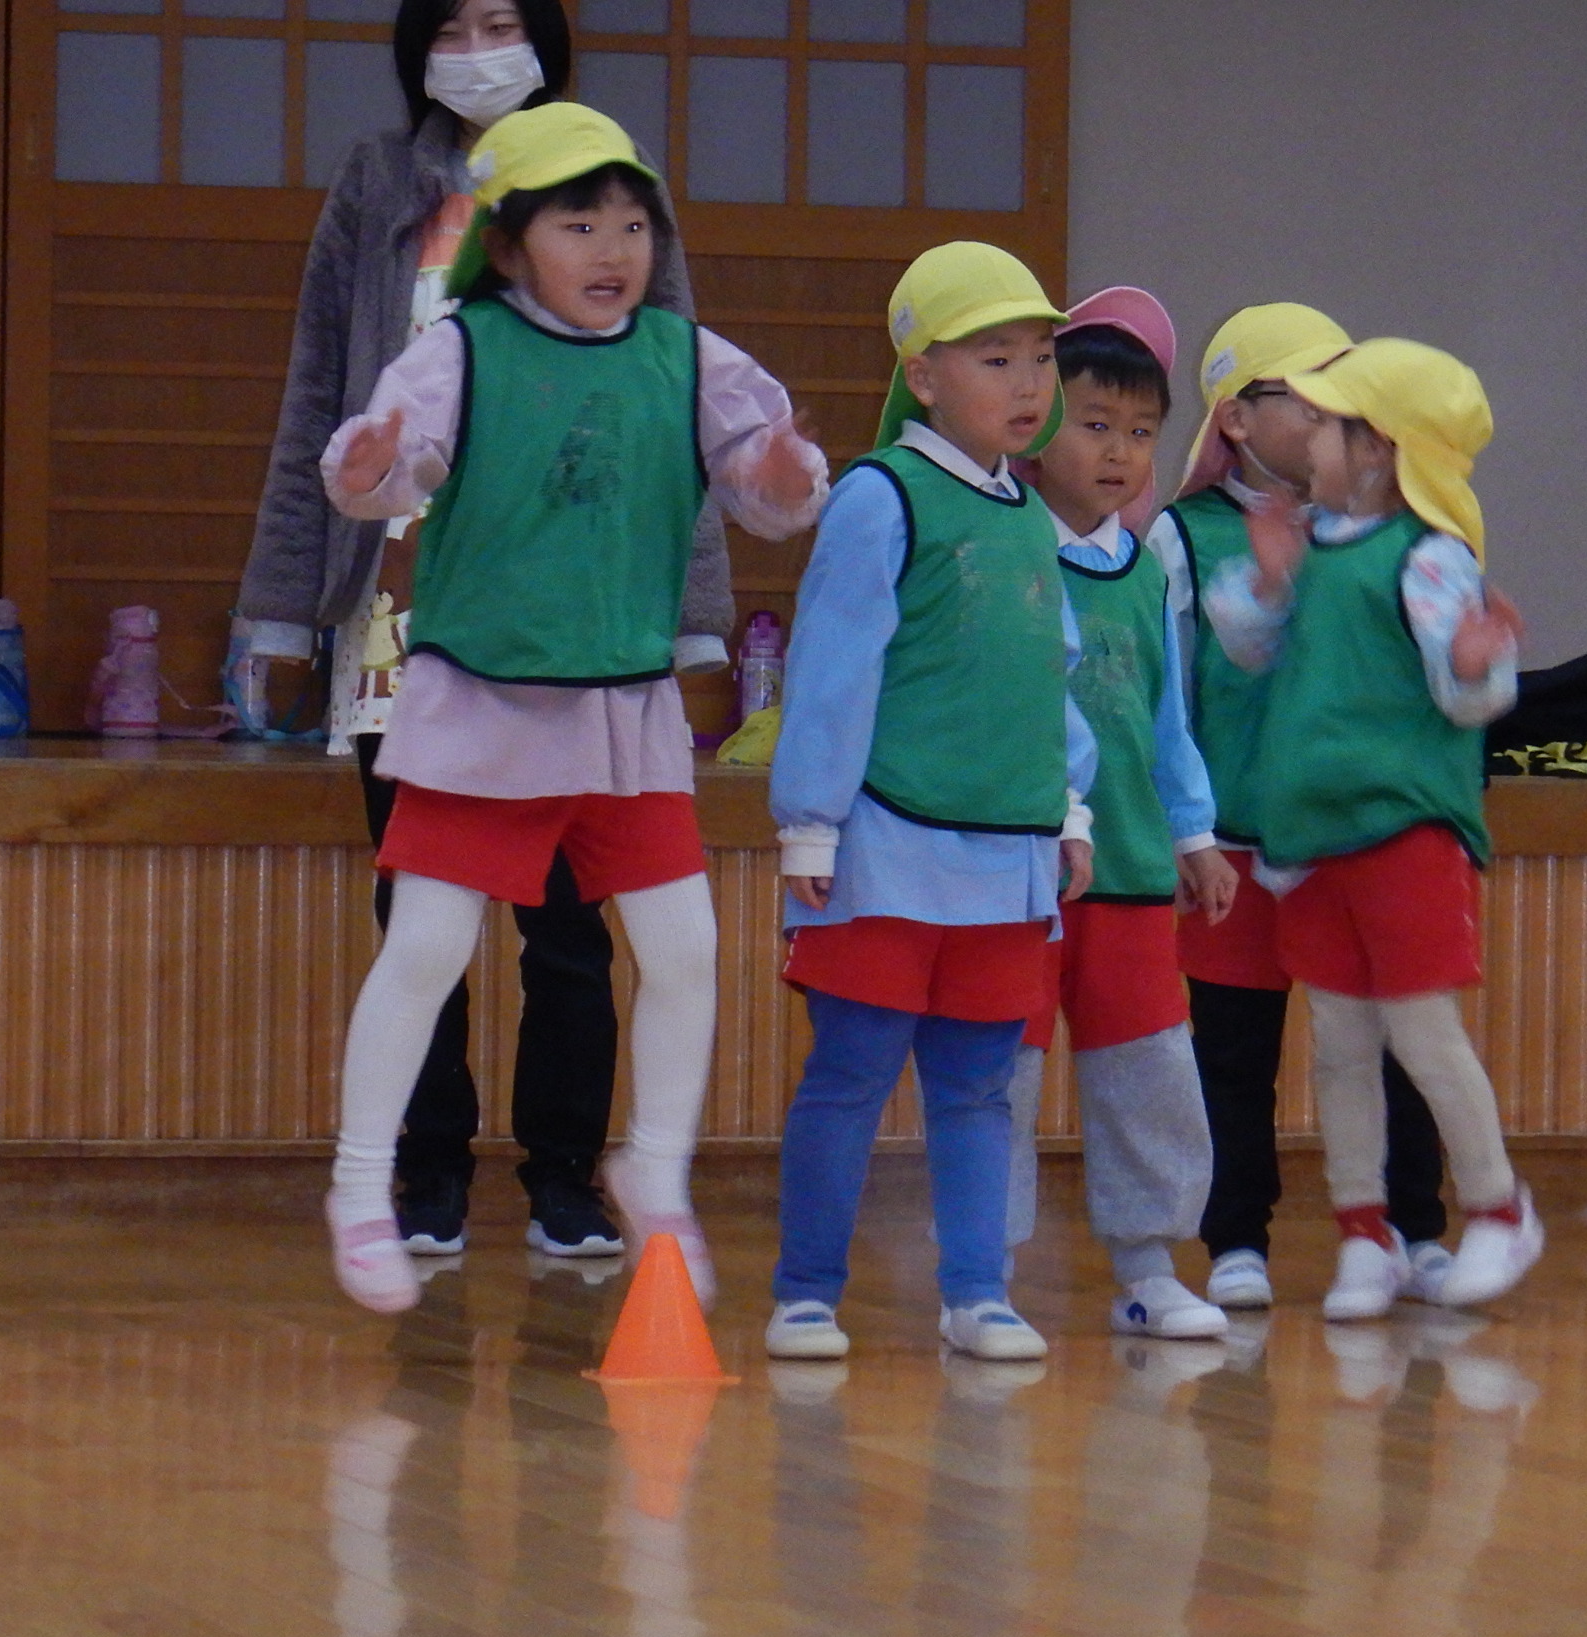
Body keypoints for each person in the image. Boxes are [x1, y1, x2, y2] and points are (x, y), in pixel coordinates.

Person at [237, 0, 739, 1260]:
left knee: (573, 924)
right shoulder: (375, 179)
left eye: (501, 21)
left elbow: (675, 419)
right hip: (411, 606)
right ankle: (423, 1174)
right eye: (453, 26)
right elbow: (319, 389)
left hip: (588, 617)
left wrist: (693, 620)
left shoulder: (614, 181)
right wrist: (283, 602)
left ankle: (567, 1175)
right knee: (425, 915)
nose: (477, 50)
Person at [316, 103, 826, 1312]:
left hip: (625, 715)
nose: (614, 249)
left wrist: (784, 474)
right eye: (579, 224)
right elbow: (393, 468)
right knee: (426, 946)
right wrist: (370, 465)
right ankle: (359, 1185)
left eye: (633, 225)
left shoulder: (689, 358)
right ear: (507, 245)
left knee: (685, 950)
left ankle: (654, 1171)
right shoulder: (462, 351)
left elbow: (766, 488)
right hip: (480, 709)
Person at [764, 242, 1093, 1364]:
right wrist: (810, 820)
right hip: (885, 848)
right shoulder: (879, 496)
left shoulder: (1028, 515)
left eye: (1041, 358)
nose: (1029, 384)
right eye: (996, 358)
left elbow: (1049, 677)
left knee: (980, 1091)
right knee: (851, 1075)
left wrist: (1070, 808)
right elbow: (833, 664)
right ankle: (806, 1294)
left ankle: (978, 1294)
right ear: (923, 374)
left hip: (1008, 859)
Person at [1204, 337, 1543, 1320]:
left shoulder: (1429, 558)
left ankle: (1498, 1207)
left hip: (1404, 834)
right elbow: (1248, 647)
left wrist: (1476, 665)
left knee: (1423, 1034)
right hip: (1313, 839)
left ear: (1380, 449)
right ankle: (1365, 1233)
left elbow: (1468, 694)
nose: (1309, 437)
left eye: (1327, 423)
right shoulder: (1308, 543)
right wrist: (1269, 583)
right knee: (1340, 1045)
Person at [1147, 305, 1454, 1312]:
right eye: (1304, 394)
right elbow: (1164, 696)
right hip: (1231, 841)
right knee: (1232, 1052)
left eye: (1341, 393)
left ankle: (1415, 1227)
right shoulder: (1180, 537)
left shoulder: (1379, 532)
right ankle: (1237, 1239)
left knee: (1394, 1045)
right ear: (1235, 418)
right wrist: (1180, 829)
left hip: (1352, 839)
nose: (1330, 412)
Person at [1005, 288, 1235, 1340]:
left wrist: (1194, 833)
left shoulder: (1143, 575)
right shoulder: (1002, 551)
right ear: (1038, 422)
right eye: (1095, 424)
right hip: (1020, 872)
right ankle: (983, 1274)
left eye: (1142, 433)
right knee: (999, 1078)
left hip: (1134, 874)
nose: (1119, 452)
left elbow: (1166, 720)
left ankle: (1148, 1267)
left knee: (1148, 1072)